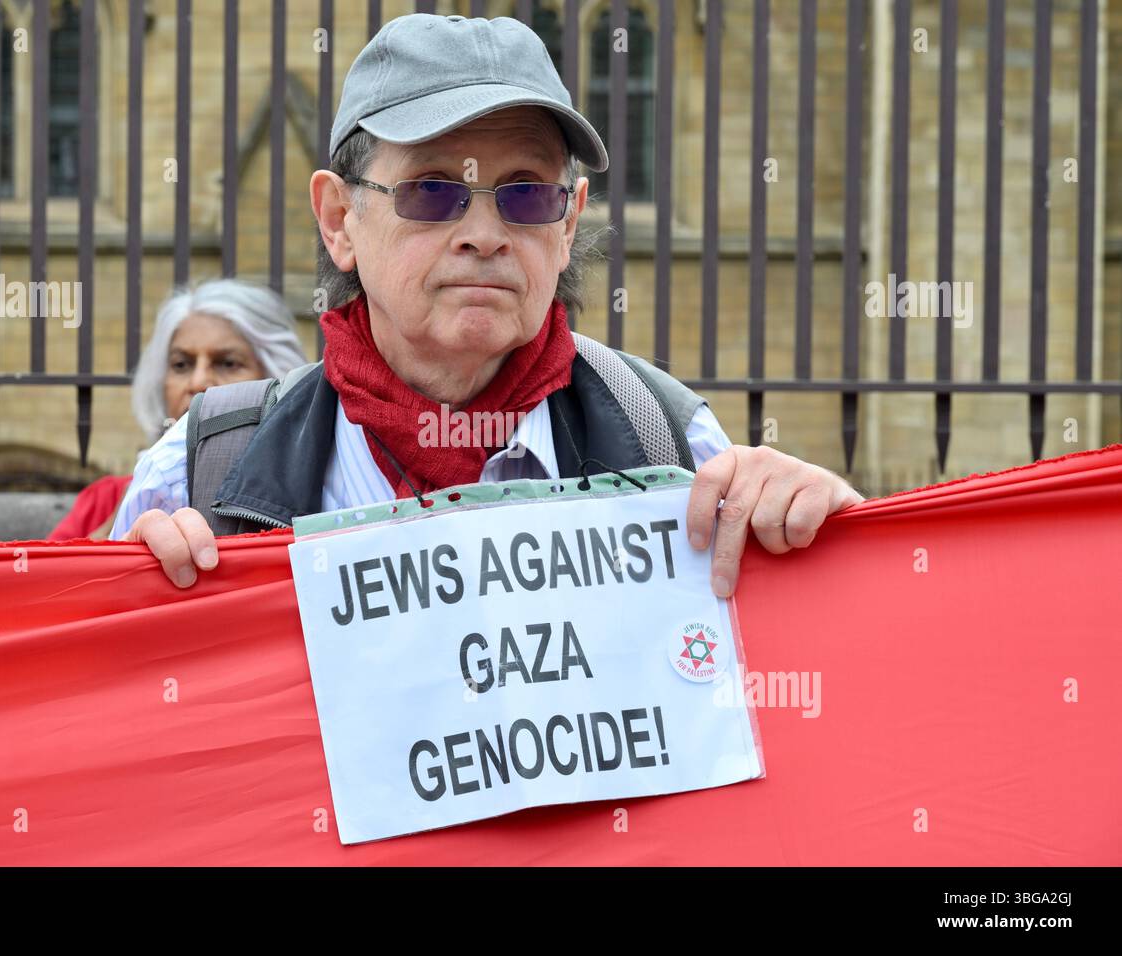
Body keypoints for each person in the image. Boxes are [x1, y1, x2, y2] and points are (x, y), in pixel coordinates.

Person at [111, 13, 863, 595]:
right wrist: (128, 606)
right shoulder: (201, 471)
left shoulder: (671, 442)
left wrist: (836, 542)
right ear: (340, 220)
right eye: (432, 190)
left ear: (568, 224)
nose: (483, 234)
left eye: (526, 194)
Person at [48, 278, 307, 539]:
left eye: (227, 363)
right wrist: (116, 530)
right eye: (181, 365)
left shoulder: (304, 494)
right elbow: (42, 578)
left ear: (275, 378)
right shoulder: (104, 499)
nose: (198, 383)